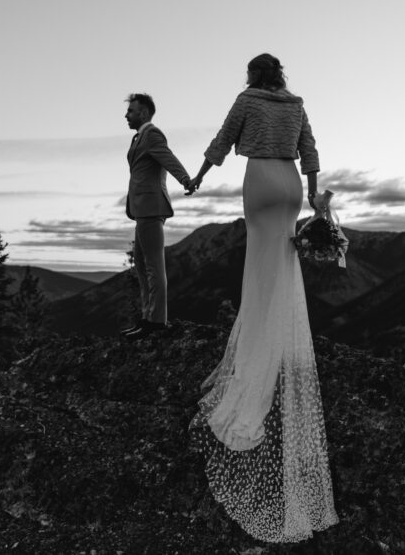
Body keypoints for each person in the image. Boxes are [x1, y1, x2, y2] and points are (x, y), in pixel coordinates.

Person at [186, 54, 338, 542]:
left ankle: (257, 347)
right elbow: (310, 150)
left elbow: (221, 142)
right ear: (282, 76)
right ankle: (280, 338)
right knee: (283, 262)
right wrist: (314, 196)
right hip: (291, 185)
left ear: (253, 75)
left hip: (259, 182)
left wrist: (199, 177)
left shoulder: (247, 100)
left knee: (258, 268)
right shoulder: (295, 104)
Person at [121, 93, 192, 339]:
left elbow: (168, 159)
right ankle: (147, 318)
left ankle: (157, 321)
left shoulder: (152, 134)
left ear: (143, 113)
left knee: (153, 266)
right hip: (142, 208)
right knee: (141, 265)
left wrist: (185, 179)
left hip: (151, 207)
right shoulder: (138, 137)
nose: (126, 115)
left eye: (131, 111)